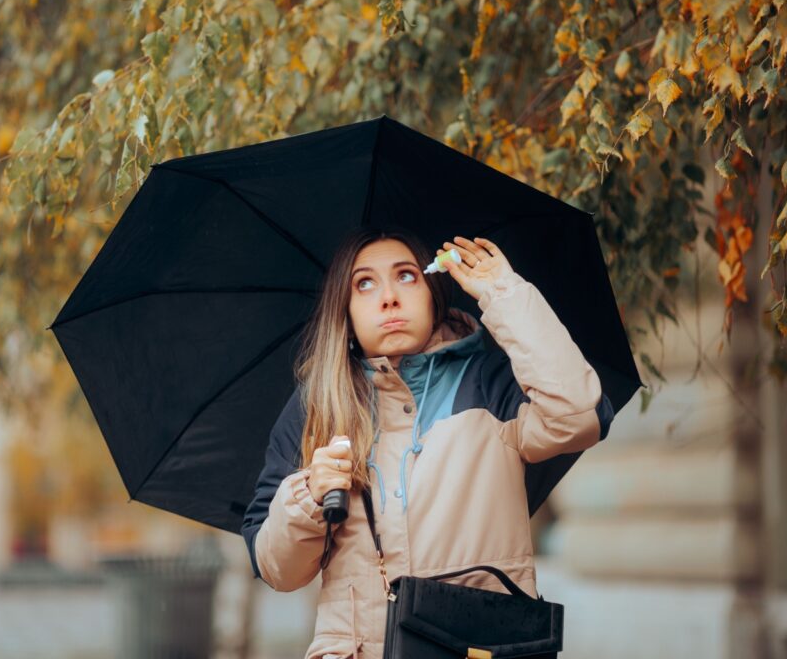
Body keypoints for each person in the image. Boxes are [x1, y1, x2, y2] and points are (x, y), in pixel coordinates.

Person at [241, 226, 614, 659]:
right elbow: (277, 570)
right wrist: (308, 496)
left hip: (477, 645)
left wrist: (503, 293)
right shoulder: (316, 407)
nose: (389, 298)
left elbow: (578, 416)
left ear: (433, 290)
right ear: (345, 310)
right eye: (364, 283)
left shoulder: (490, 382)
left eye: (406, 276)